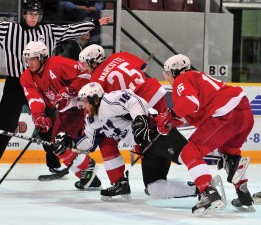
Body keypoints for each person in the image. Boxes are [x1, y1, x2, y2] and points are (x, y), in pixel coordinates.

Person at [0, 0, 112, 180]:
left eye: (36, 14)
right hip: (16, 84)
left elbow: (70, 29)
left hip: (41, 83)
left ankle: (54, 164)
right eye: (30, 14)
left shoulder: (48, 31)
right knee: (5, 126)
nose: (33, 17)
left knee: (48, 125)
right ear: (24, 14)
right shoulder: (9, 30)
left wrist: (93, 23)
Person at [78, 44, 192, 200]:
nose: (85, 69)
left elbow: (111, 103)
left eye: (86, 64)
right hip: (155, 93)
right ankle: (156, 180)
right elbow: (142, 67)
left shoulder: (96, 80)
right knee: (150, 137)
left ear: (94, 62)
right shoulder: (120, 55)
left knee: (108, 143)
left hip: (138, 102)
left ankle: (121, 182)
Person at [54, 82, 198, 201]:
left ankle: (209, 189)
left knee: (190, 156)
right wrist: (70, 143)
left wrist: (139, 118)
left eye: (85, 102)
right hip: (146, 147)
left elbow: (134, 101)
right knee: (154, 188)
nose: (83, 107)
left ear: (95, 100)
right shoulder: (92, 119)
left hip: (157, 133)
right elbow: (89, 143)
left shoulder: (109, 100)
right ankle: (197, 189)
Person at [155, 54, 255, 215]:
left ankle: (208, 192)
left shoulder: (182, 80)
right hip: (244, 114)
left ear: (174, 71)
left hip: (226, 115)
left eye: (167, 73)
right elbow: (191, 111)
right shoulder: (197, 76)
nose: (166, 77)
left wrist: (168, 116)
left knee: (190, 152)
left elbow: (189, 103)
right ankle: (244, 195)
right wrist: (171, 120)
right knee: (230, 154)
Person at [20, 41, 101, 189]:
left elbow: (85, 74)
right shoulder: (26, 77)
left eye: (33, 58)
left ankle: (87, 168)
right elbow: (34, 98)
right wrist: (38, 116)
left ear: (43, 57)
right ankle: (89, 178)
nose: (29, 63)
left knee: (61, 144)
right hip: (64, 111)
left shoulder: (57, 63)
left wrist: (69, 90)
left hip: (80, 106)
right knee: (56, 146)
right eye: (27, 59)